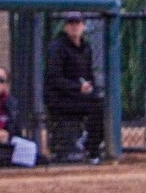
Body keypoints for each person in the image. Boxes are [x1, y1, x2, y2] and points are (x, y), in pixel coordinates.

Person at [44, 11, 105, 164]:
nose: (74, 27)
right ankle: (89, 148)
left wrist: (90, 87)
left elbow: (89, 75)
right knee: (95, 106)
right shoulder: (57, 47)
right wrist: (78, 87)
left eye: (78, 23)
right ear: (65, 27)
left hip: (78, 96)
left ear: (83, 26)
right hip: (59, 98)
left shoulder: (86, 47)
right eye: (71, 23)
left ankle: (91, 148)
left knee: (101, 104)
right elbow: (54, 78)